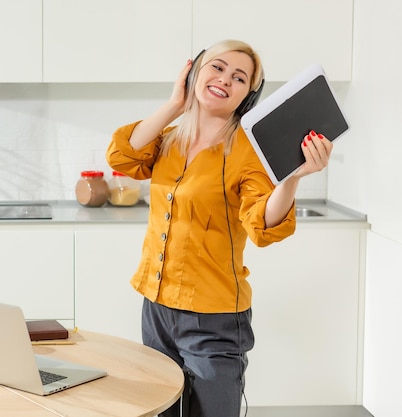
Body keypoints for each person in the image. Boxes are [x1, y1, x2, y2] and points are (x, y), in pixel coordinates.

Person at [105, 39, 333, 417]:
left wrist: (292, 177)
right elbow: (122, 155)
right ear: (195, 71)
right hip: (156, 307)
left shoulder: (248, 150)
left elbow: (264, 225)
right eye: (218, 67)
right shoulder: (169, 139)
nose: (226, 79)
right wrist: (175, 104)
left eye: (239, 77)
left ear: (247, 94)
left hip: (213, 319)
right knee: (160, 410)